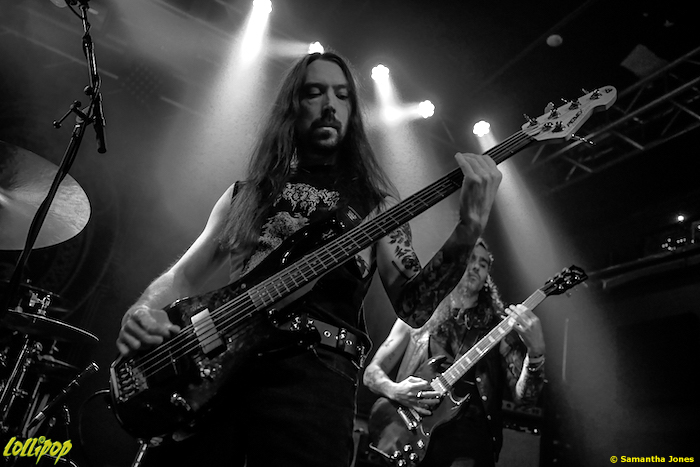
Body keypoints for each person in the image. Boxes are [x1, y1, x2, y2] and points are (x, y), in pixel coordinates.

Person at [115, 51, 502, 467]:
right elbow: (183, 275)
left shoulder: (375, 206)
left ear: (353, 112)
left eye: (342, 95)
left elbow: (415, 306)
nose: (330, 105)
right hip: (220, 375)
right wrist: (143, 310)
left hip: (314, 385)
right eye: (314, 93)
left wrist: (468, 229)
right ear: (292, 106)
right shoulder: (245, 194)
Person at [363, 238, 546, 467]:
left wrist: (536, 354)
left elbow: (525, 399)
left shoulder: (499, 330)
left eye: (483, 263)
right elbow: (371, 373)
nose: (476, 266)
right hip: (409, 438)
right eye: (470, 259)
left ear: (487, 275)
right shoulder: (419, 315)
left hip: (468, 451)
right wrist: (396, 390)